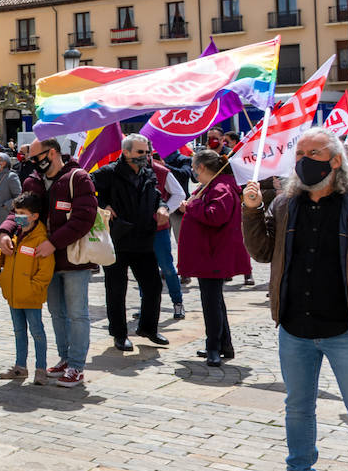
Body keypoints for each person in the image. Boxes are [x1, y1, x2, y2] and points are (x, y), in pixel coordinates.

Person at [243, 128, 348, 471]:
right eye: (299, 153)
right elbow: (263, 252)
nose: (304, 159)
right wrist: (252, 211)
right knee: (297, 408)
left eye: (313, 152)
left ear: (335, 160)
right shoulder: (286, 203)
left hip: (347, 330)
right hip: (295, 327)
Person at [0, 138, 98, 389]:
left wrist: (53, 242)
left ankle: (76, 366)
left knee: (77, 314)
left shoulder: (78, 177)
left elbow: (85, 217)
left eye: (35, 157)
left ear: (52, 153)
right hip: (44, 261)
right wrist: (5, 232)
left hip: (73, 260)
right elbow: (17, 211)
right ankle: (64, 358)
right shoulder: (33, 181)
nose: (32, 162)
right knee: (57, 312)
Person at [93, 134, 168, 351]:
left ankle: (148, 328)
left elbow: (157, 195)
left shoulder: (148, 172)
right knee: (116, 289)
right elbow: (88, 190)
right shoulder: (109, 172)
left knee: (153, 286)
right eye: (139, 152)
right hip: (117, 238)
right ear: (126, 152)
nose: (145, 156)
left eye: (147, 152)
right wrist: (103, 205)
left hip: (144, 238)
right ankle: (119, 333)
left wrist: (161, 207)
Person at [177, 149, 251, 365]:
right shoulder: (213, 186)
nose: (193, 172)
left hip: (213, 254)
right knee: (215, 301)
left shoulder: (220, 187)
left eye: (194, 168)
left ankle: (213, 347)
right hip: (209, 254)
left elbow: (215, 216)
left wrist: (192, 206)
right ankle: (224, 345)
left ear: (201, 167)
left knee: (211, 303)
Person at [0, 192, 55, 385]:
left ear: (34, 215)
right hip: (13, 294)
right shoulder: (16, 234)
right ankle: (20, 367)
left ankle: (40, 369)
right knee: (18, 331)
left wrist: (32, 289)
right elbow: (4, 255)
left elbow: (45, 272)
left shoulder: (41, 239)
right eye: (16, 212)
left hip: (31, 297)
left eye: (22, 213)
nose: (17, 216)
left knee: (37, 333)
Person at [150, 154, 187, 320]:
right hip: (138, 230)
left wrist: (166, 210)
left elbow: (179, 194)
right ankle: (147, 305)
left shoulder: (161, 171)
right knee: (145, 269)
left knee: (167, 267)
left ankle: (177, 302)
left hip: (159, 228)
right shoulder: (126, 171)